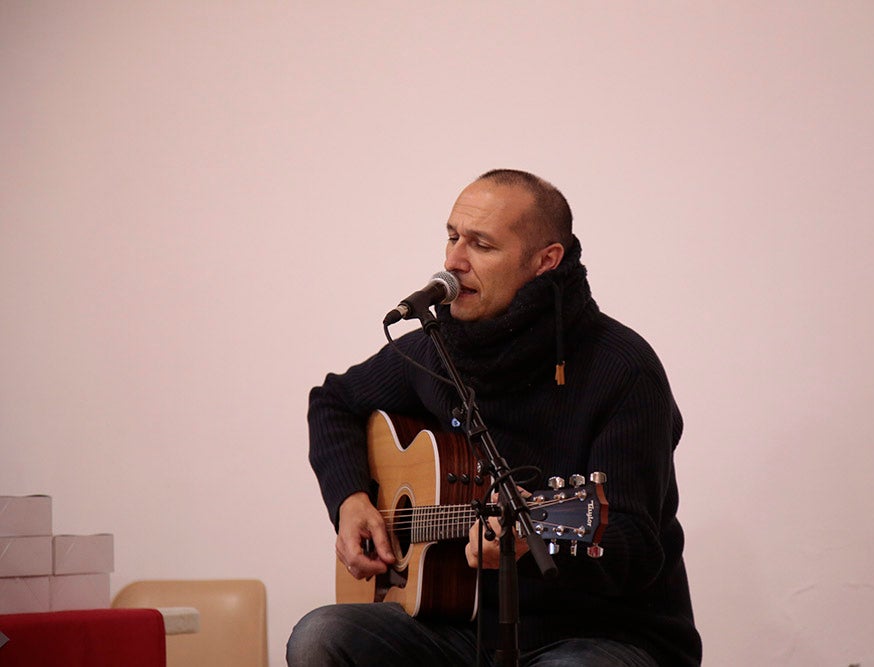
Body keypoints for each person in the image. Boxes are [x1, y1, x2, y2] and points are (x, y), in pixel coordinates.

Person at [287, 169, 702, 666]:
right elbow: (334, 401)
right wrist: (350, 500)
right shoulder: (436, 349)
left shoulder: (623, 369)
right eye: (452, 236)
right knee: (322, 635)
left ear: (545, 261)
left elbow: (633, 545)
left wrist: (531, 542)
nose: (452, 261)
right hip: (464, 624)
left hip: (600, 633)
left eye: (481, 245)